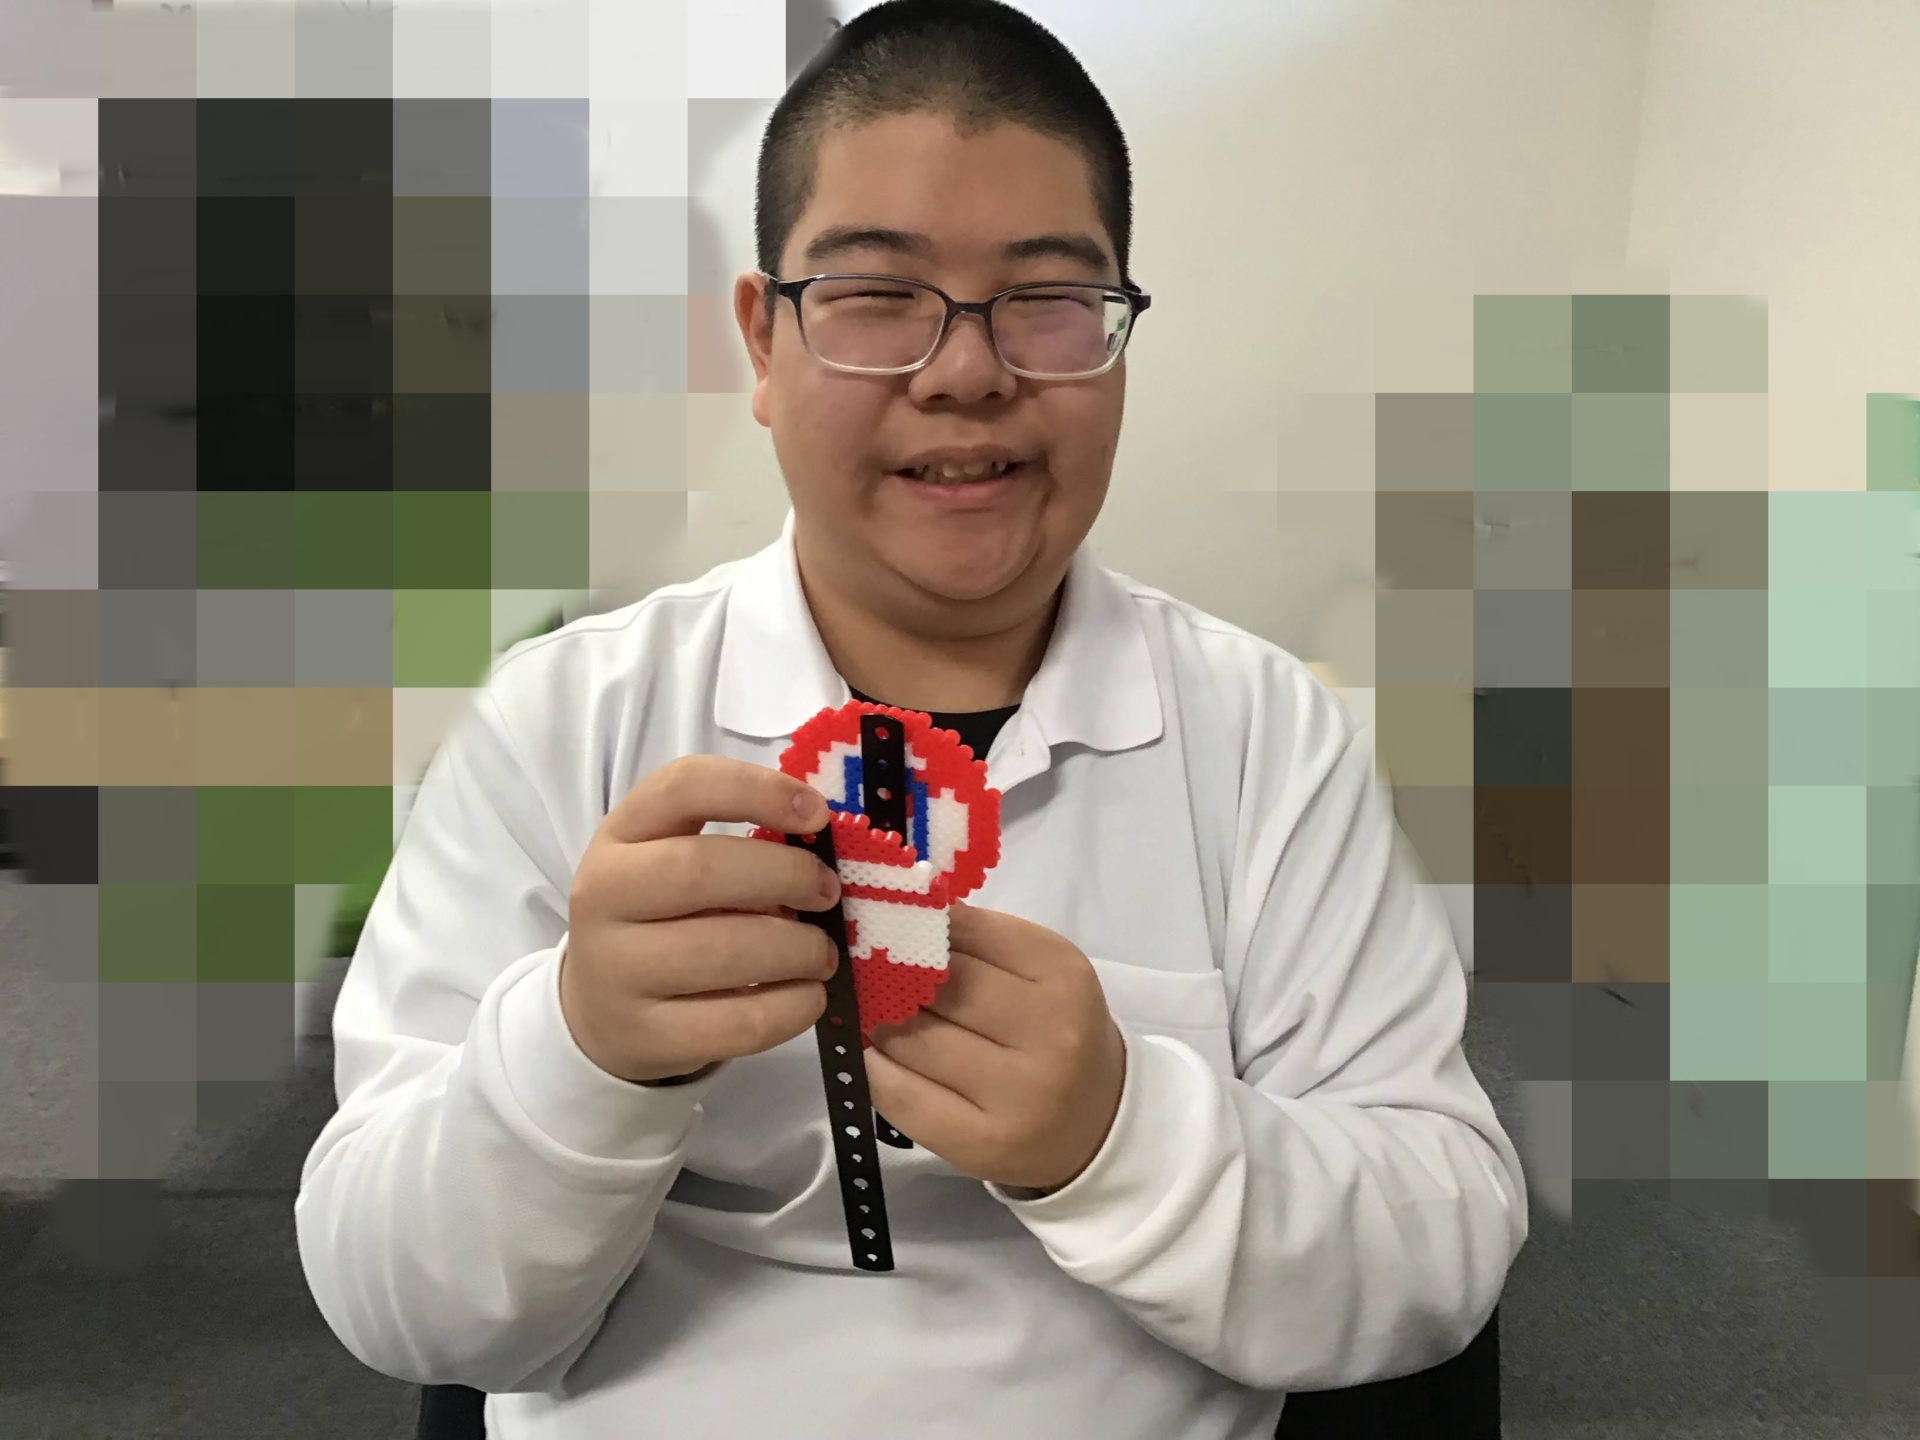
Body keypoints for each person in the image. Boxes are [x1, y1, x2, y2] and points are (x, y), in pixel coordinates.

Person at [295, 3, 1528, 1437]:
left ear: (1120, 338)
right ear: (763, 344)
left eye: (1047, 297)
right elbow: (400, 1304)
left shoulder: (1269, 741)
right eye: (877, 293)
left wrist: (1122, 1132)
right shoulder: (561, 722)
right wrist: (578, 1052)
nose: (964, 371)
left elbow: (1441, 1243)